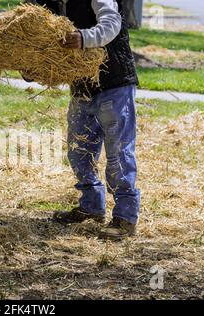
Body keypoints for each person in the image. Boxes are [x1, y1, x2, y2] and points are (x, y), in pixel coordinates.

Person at [26, 0, 140, 240]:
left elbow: (112, 23)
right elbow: (46, 44)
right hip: (82, 86)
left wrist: (84, 38)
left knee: (118, 152)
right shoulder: (50, 3)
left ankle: (125, 216)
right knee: (79, 150)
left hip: (114, 82)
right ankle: (91, 207)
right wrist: (31, 66)